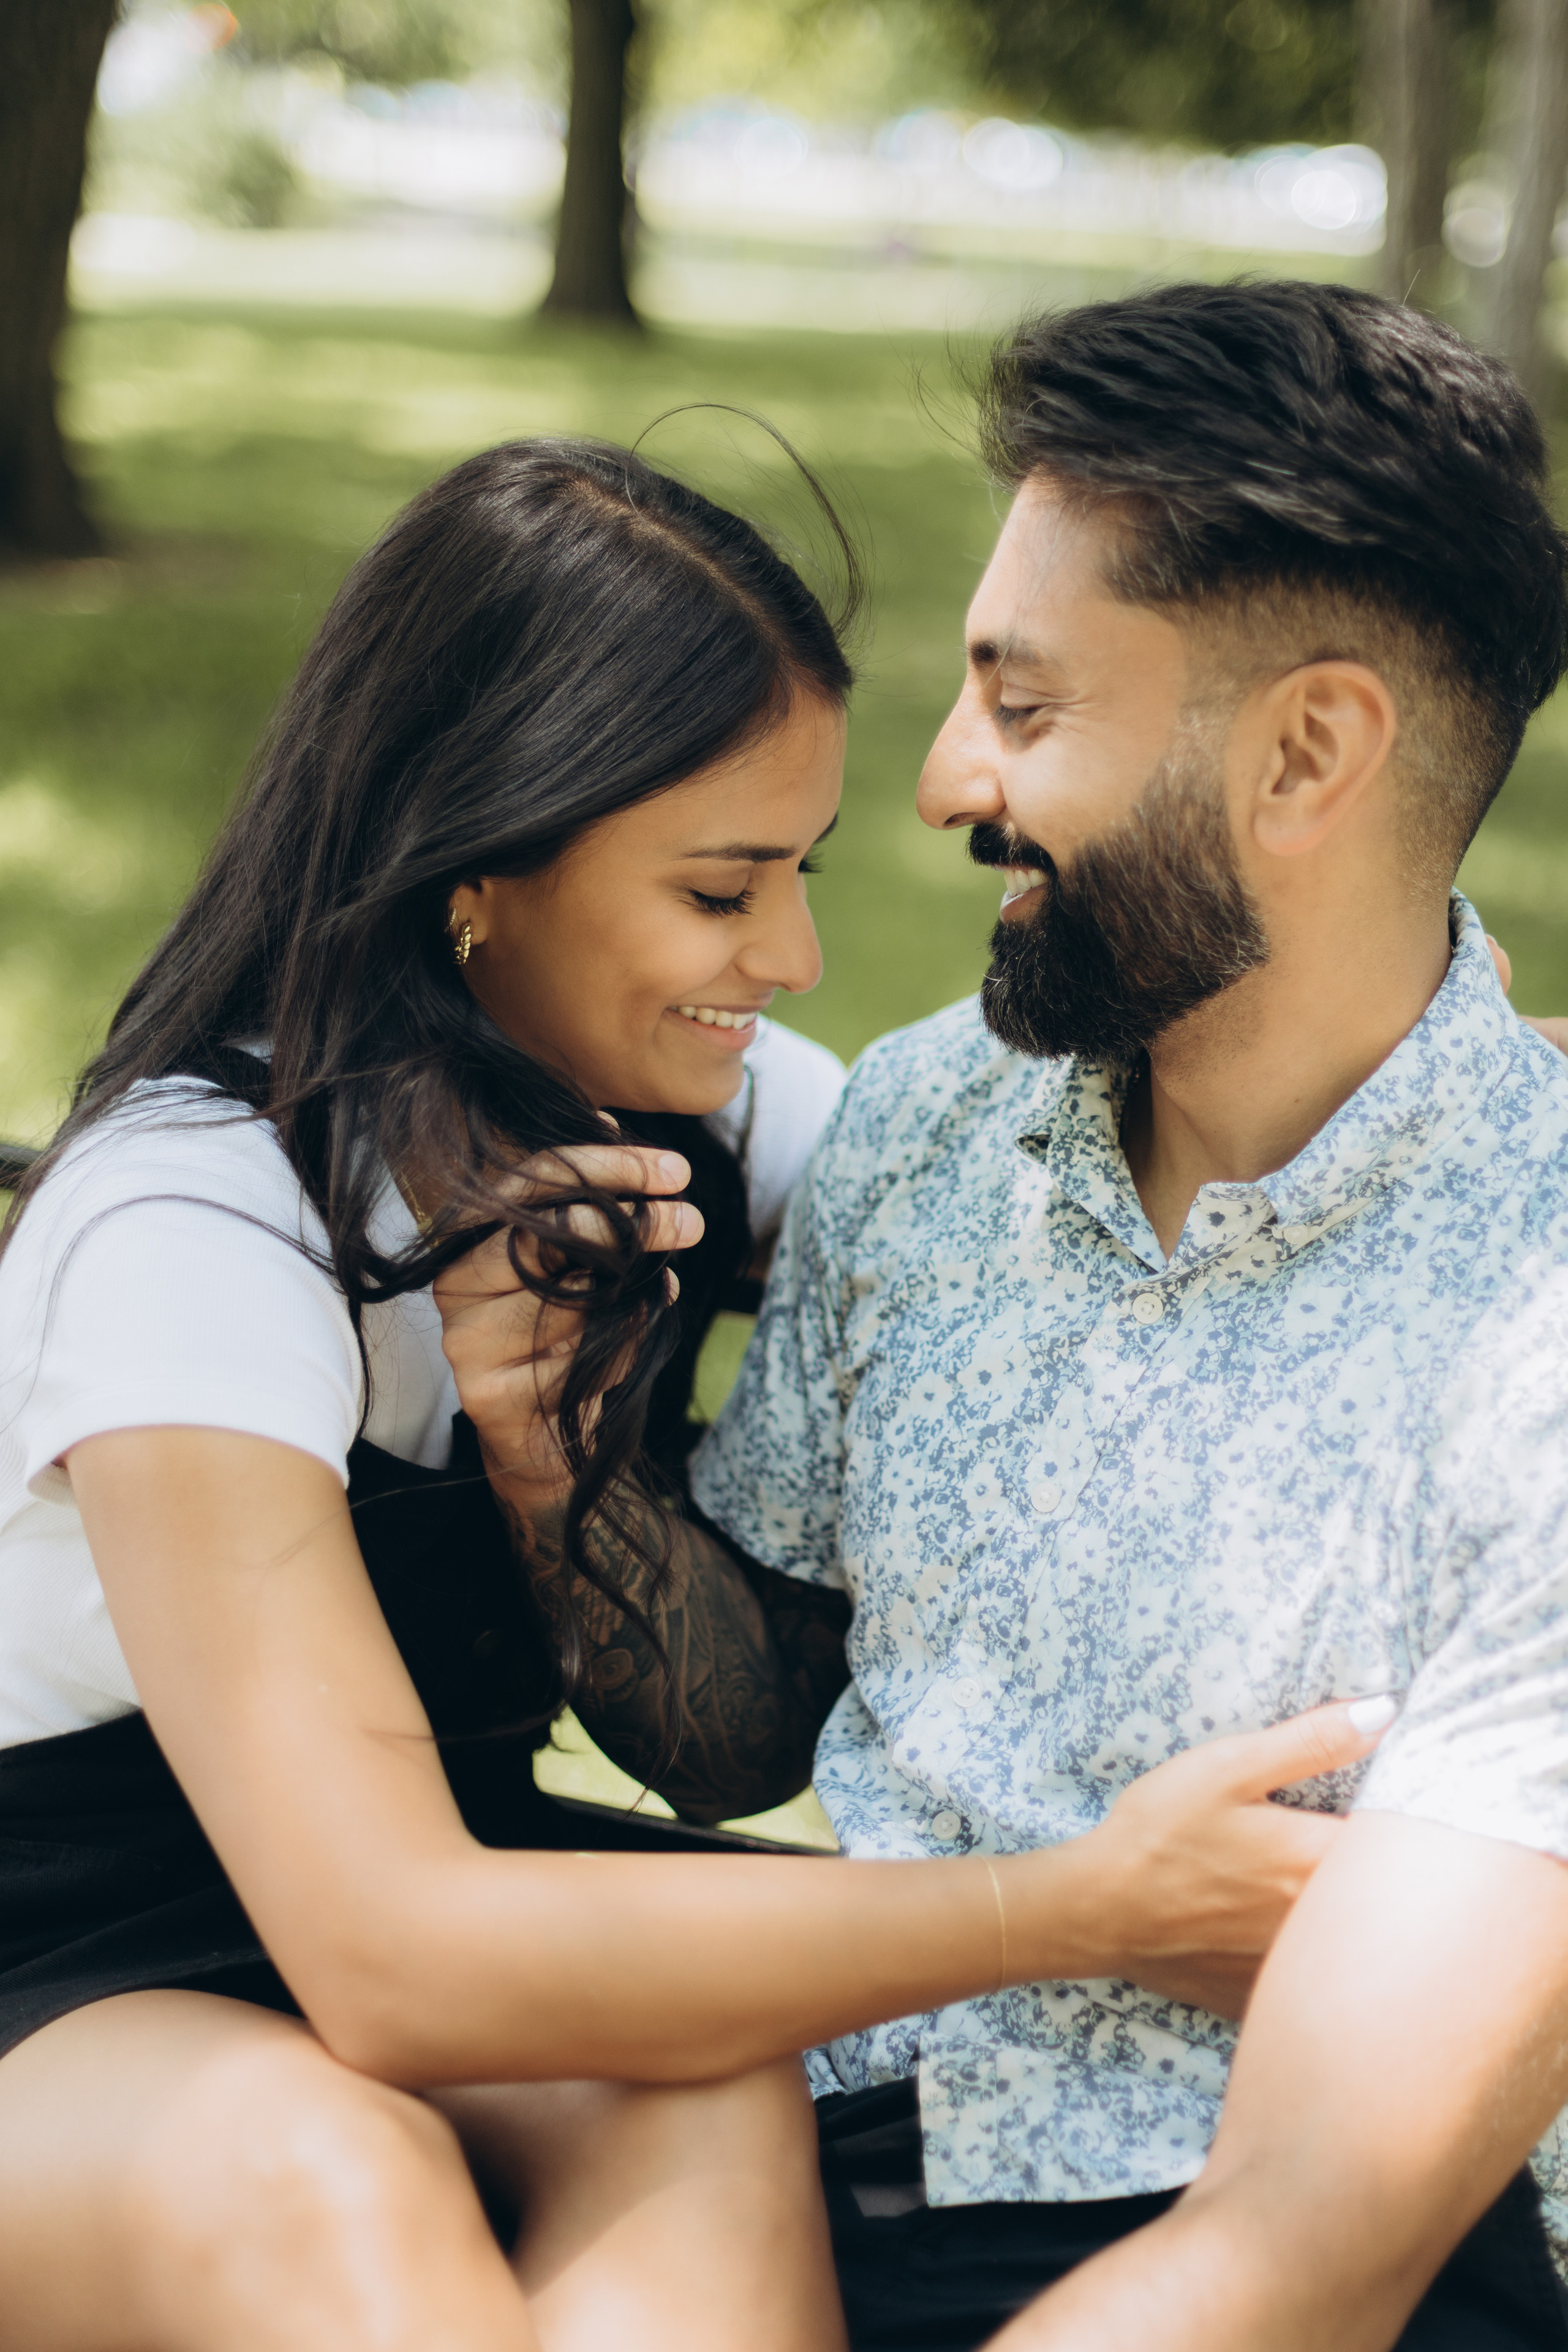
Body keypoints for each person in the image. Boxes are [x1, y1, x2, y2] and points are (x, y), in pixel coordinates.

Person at [0, 435, 1376, 2352]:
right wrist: (1081, 1905)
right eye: (725, 890)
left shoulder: (697, 1116)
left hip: (462, 1889)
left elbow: (1111, 1132)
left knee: (710, 2090)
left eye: (798, 875)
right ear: (479, 870)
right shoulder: (192, 1224)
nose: (795, 961)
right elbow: (389, 1956)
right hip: (77, 1961)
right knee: (314, 2171)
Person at [473, 285, 1568, 2350]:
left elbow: (1315, 2245)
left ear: (1308, 751)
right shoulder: (921, 1126)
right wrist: (558, 1471)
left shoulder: (1545, 1312)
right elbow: (744, 1733)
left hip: (1300, 2239)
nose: (945, 779)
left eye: (1027, 705)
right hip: (791, 2171)